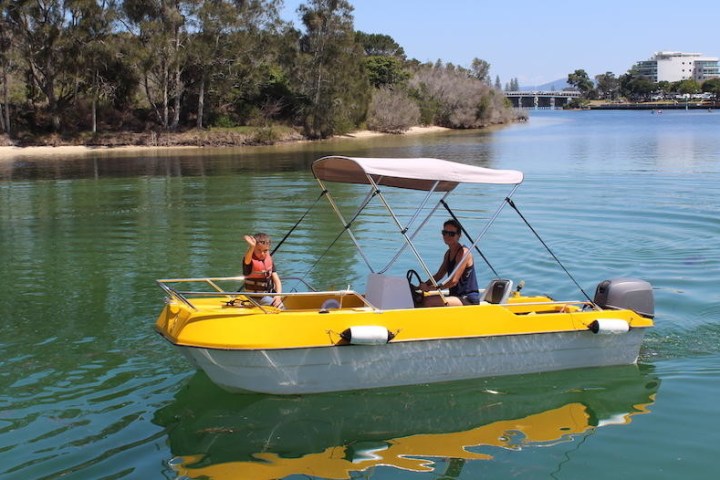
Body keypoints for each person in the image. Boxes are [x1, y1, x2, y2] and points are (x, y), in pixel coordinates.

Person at [419, 219, 480, 307]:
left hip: (467, 299)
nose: (447, 236)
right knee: (420, 298)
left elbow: (453, 281)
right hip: (455, 296)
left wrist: (430, 288)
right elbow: (439, 275)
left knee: (428, 301)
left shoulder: (464, 253)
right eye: (444, 232)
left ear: (459, 236)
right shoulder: (448, 253)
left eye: (451, 234)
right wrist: (422, 285)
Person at [243, 232, 284, 308]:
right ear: (254, 249)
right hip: (256, 298)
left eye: (265, 251)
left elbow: (277, 281)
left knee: (280, 300)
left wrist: (278, 296)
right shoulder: (249, 261)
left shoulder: (269, 260)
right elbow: (247, 260)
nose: (262, 253)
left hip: (268, 294)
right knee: (281, 307)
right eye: (259, 250)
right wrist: (251, 246)